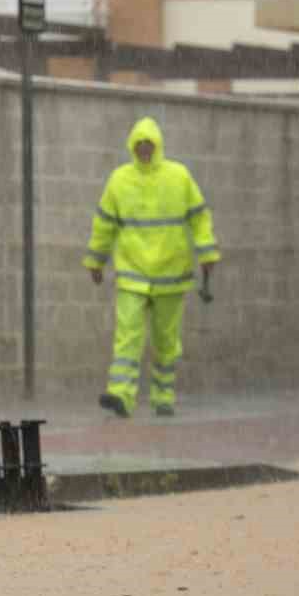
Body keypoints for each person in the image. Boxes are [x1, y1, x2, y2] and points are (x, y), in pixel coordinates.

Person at [83, 116, 220, 418]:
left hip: (171, 273)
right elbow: (103, 224)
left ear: (157, 146)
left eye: (149, 144)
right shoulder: (119, 180)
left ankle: (163, 396)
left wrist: (207, 253)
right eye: (139, 144)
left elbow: (199, 217)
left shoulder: (179, 177)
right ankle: (121, 395)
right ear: (132, 146)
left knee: (165, 340)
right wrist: (96, 260)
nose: (144, 149)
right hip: (133, 272)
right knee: (127, 335)